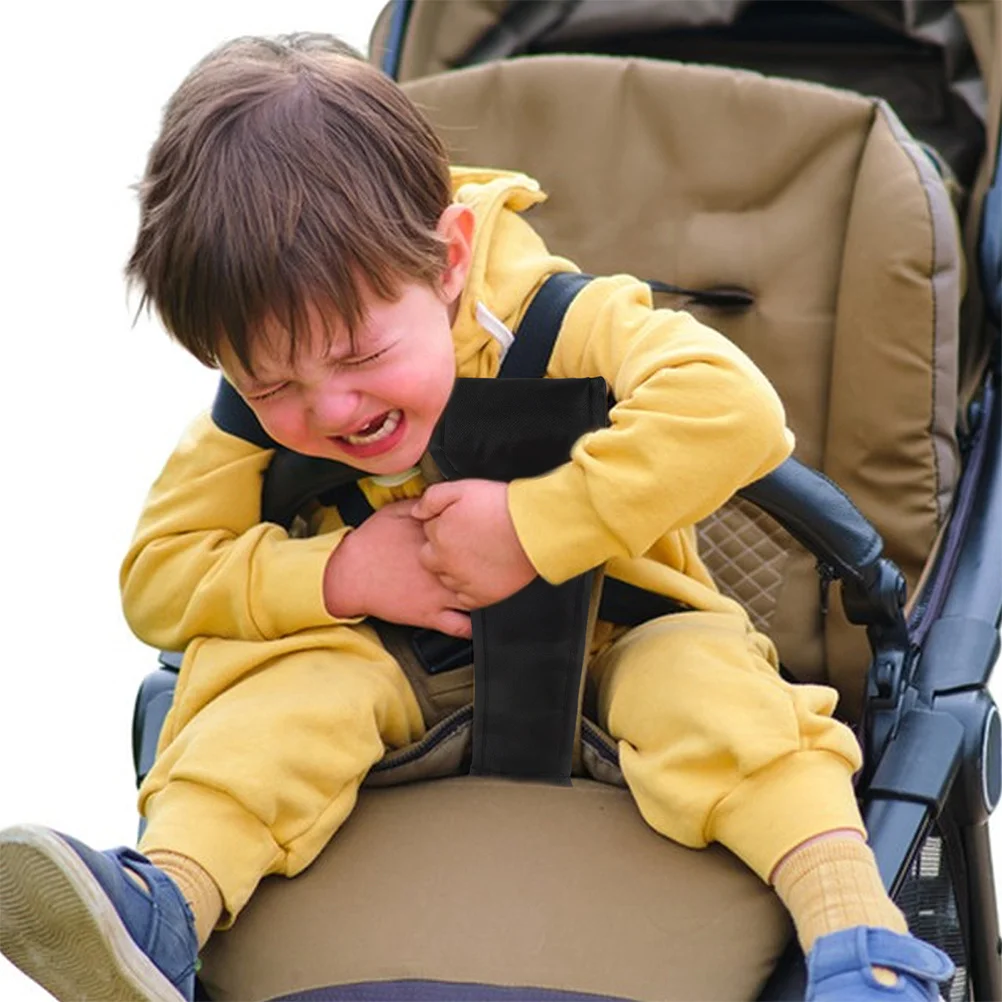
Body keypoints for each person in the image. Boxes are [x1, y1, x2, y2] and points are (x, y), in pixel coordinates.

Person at [0, 33, 953, 1002]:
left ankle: (859, 938)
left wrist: (533, 527)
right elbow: (156, 578)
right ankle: (170, 905)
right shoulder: (262, 396)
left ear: (450, 261)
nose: (329, 410)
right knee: (271, 697)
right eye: (274, 381)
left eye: (361, 357)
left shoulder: (550, 321)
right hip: (394, 672)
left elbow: (734, 411)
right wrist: (336, 577)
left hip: (611, 642)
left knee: (717, 694)